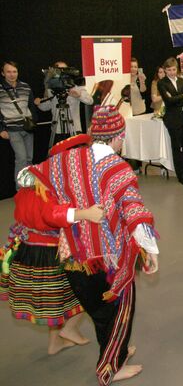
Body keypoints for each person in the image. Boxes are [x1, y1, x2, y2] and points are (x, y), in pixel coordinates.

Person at [28, 106, 159, 385]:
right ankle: (110, 367)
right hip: (109, 258)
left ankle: (117, 350)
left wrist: (70, 211)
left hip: (72, 253)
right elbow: (133, 208)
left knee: (99, 311)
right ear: (118, 136)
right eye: (122, 137)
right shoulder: (117, 166)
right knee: (118, 309)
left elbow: (29, 177)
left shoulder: (66, 159)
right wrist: (150, 248)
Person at [0, 136, 104, 355]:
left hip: (30, 249)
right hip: (49, 251)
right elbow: (51, 214)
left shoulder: (39, 176)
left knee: (56, 301)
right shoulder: (52, 182)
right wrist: (86, 213)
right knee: (85, 290)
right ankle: (70, 329)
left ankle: (55, 342)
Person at [36, 61, 93, 144]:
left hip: (74, 129)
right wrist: (39, 103)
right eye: (59, 70)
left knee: (75, 155)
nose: (62, 73)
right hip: (58, 130)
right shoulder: (51, 90)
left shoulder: (76, 87)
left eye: (65, 70)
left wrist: (79, 95)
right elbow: (46, 107)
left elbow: (90, 101)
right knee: (59, 155)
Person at [157, 57, 183, 185]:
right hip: (172, 119)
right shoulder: (162, 83)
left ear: (176, 69)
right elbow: (168, 101)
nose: (172, 72)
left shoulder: (182, 81)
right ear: (165, 70)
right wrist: (181, 96)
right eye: (169, 70)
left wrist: (178, 98)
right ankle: (181, 175)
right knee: (177, 148)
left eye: (173, 69)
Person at [0, 61, 38, 182]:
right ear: (3, 73)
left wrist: (34, 122)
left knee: (29, 158)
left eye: (14, 71)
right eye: (8, 72)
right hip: (12, 129)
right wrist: (1, 129)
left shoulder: (25, 86)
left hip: (27, 127)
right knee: (21, 158)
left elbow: (31, 106)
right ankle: (20, 189)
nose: (12, 74)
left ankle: (29, 185)